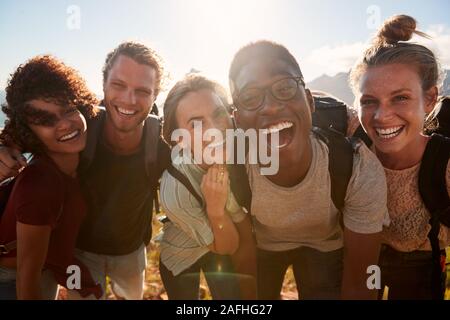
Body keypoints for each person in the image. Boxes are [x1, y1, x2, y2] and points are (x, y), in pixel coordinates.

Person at [0, 41, 170, 300]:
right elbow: (24, 128)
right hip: (81, 252)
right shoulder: (80, 125)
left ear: (155, 95)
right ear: (103, 84)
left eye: (142, 91)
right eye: (119, 85)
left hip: (131, 253)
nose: (129, 99)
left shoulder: (162, 141)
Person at [228, 40, 389, 299]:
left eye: (284, 88)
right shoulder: (232, 169)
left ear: (310, 101)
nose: (269, 106)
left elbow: (361, 281)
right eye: (250, 97)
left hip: (325, 246)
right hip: (262, 246)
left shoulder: (356, 167)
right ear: (237, 120)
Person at [349, 14, 450, 299]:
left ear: (429, 99)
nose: (381, 117)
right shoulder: (353, 142)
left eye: (400, 98)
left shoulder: (444, 166)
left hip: (420, 268)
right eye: (369, 101)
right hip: (362, 258)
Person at [0, 55, 102, 300]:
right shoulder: (40, 184)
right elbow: (27, 280)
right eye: (46, 121)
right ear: (28, 131)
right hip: (10, 282)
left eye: (68, 109)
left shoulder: (73, 157)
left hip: (44, 272)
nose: (65, 124)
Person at [158, 74, 256, 299]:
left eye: (218, 114)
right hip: (182, 256)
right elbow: (228, 247)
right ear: (180, 139)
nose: (214, 129)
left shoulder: (242, 150)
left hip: (219, 245)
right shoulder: (174, 192)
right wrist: (215, 209)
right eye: (196, 124)